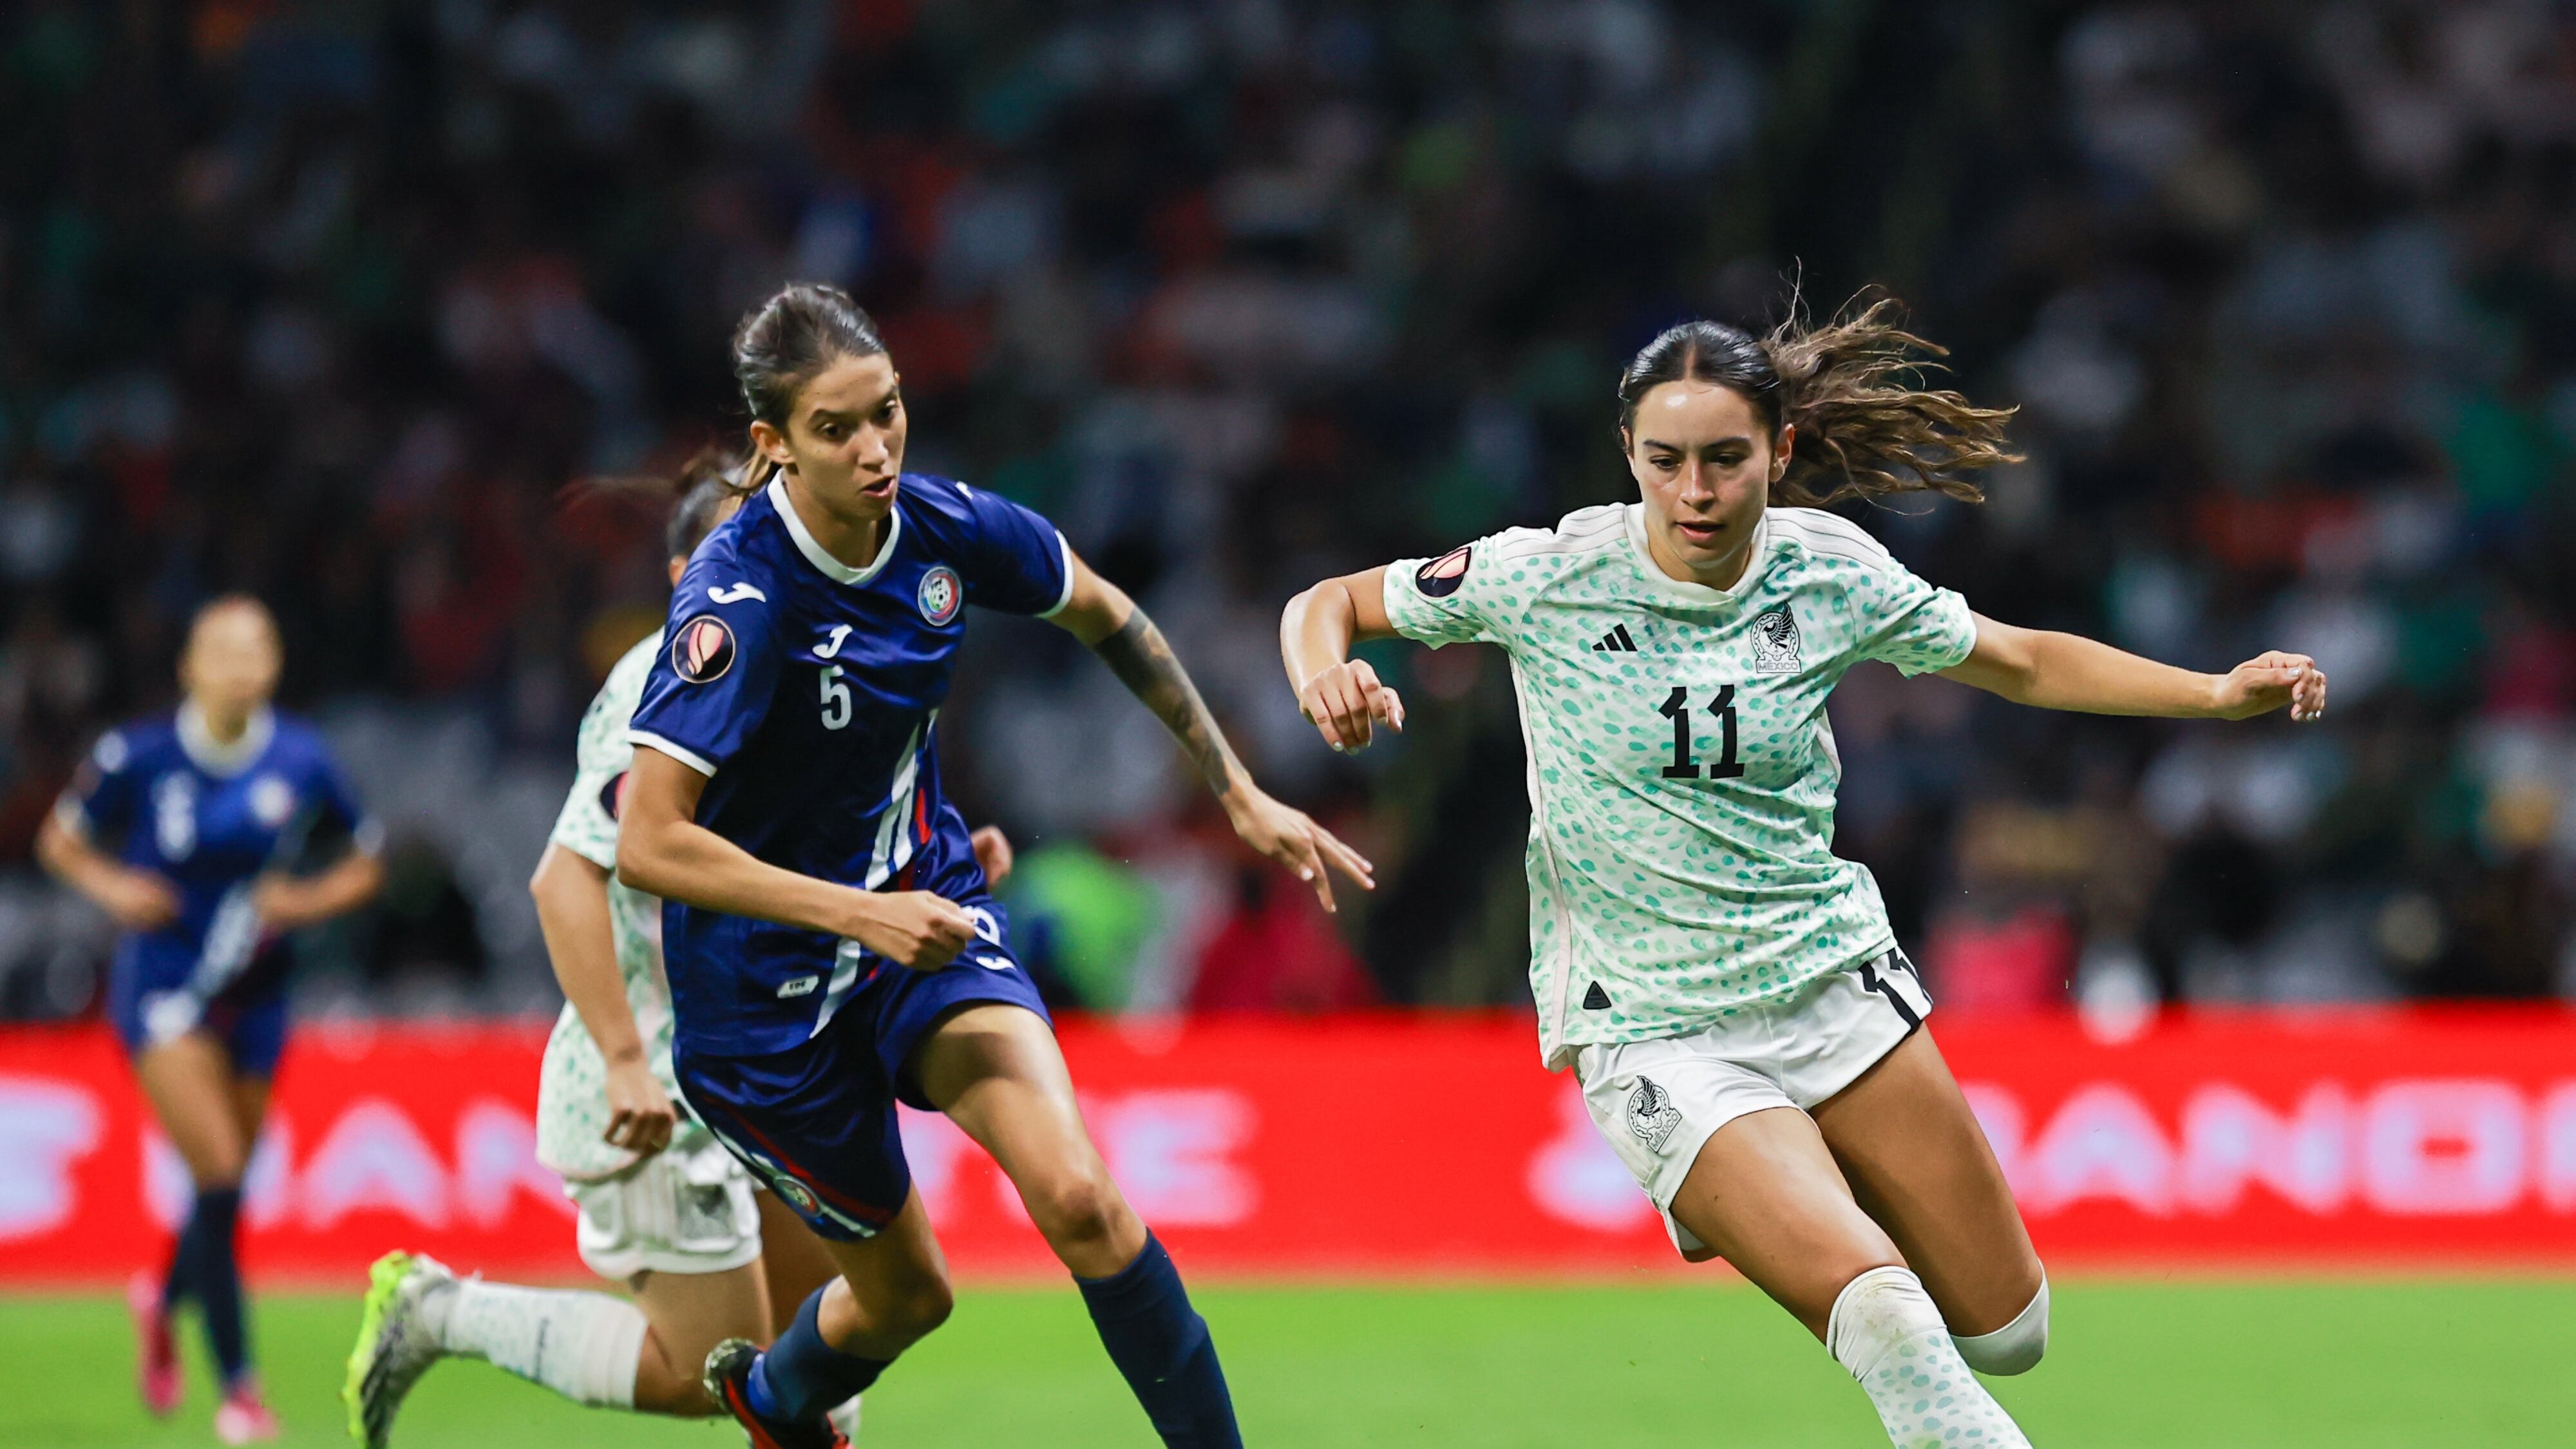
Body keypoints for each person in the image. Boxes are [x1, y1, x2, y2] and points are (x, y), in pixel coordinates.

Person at [1278, 301, 2331, 1449]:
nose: (1694, 492)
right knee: (1887, 1315)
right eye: (1665, 461)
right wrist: (1325, 673)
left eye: (1726, 460)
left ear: (1778, 455)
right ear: (1627, 455)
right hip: (1654, 1016)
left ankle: (1752, 1179)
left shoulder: (1829, 571)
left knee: (2010, 1331)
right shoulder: (1545, 575)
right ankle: (1729, 1164)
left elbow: (2024, 663)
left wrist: (2216, 692)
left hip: (1830, 977)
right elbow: (1324, 602)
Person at [613, 282, 1371, 1449]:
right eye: (836, 428)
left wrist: (1237, 791)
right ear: (770, 447)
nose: (875, 451)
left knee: (1084, 1201)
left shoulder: (943, 527)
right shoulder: (737, 600)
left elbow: (1107, 612)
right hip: (761, 1012)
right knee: (913, 1298)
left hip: (930, 930)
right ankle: (771, 1401)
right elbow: (650, 840)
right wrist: (857, 917)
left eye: (888, 412)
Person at [343, 455, 994, 1444]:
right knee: (703, 1372)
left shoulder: (817, 667)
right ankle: (438, 1311)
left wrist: (936, 867)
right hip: (661, 1075)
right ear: (693, 567)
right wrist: (621, 1062)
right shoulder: (670, 674)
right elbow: (565, 877)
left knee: (836, 1344)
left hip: (770, 1063)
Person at [39, 596, 386, 1445]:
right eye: (223, 647)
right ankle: (240, 1387)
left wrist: (301, 900)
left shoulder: (302, 759)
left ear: (274, 663)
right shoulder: (141, 754)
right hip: (163, 989)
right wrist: (117, 888)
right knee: (224, 1170)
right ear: (189, 665)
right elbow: (61, 839)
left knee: (218, 1189)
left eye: (257, 645)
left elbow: (367, 860)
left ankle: (162, 1294)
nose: (241, 660)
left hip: (258, 993)